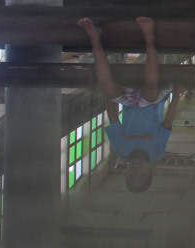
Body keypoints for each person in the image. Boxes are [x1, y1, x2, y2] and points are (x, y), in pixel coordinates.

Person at [78, 16, 184, 193]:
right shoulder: (156, 153)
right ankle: (149, 37)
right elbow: (167, 123)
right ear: (150, 171)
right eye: (141, 176)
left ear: (126, 173)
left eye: (131, 176)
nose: (136, 172)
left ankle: (94, 38)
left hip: (129, 102)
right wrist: (176, 96)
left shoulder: (122, 152)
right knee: (150, 92)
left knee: (108, 88)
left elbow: (113, 120)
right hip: (153, 101)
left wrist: (107, 94)